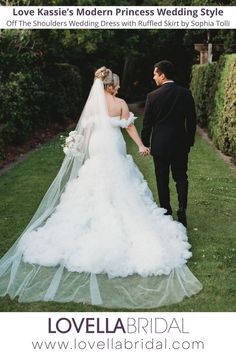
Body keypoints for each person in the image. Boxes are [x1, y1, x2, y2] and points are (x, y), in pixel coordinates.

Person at [0, 67, 202, 309]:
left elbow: (85, 131)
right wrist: (140, 146)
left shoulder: (92, 106)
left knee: (93, 181)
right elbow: (129, 127)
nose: (118, 88)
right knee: (120, 182)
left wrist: (76, 146)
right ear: (109, 86)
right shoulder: (120, 104)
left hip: (96, 147)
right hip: (114, 147)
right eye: (115, 85)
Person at [141, 60, 197, 227]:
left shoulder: (152, 96)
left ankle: (166, 210)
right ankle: (182, 209)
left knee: (161, 179)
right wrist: (189, 142)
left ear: (162, 75)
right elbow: (192, 121)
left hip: (160, 146)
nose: (153, 77)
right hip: (180, 144)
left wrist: (145, 143)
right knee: (181, 177)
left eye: (155, 74)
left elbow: (147, 124)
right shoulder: (185, 93)